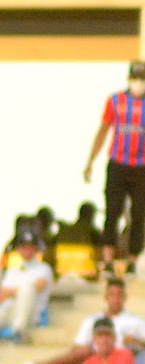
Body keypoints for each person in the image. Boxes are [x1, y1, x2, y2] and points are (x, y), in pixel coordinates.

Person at [87, 61, 145, 268]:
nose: (139, 84)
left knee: (139, 213)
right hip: (118, 162)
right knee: (112, 210)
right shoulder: (116, 101)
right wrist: (90, 160)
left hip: (141, 166)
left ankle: (133, 257)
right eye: (136, 79)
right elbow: (103, 130)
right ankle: (108, 256)